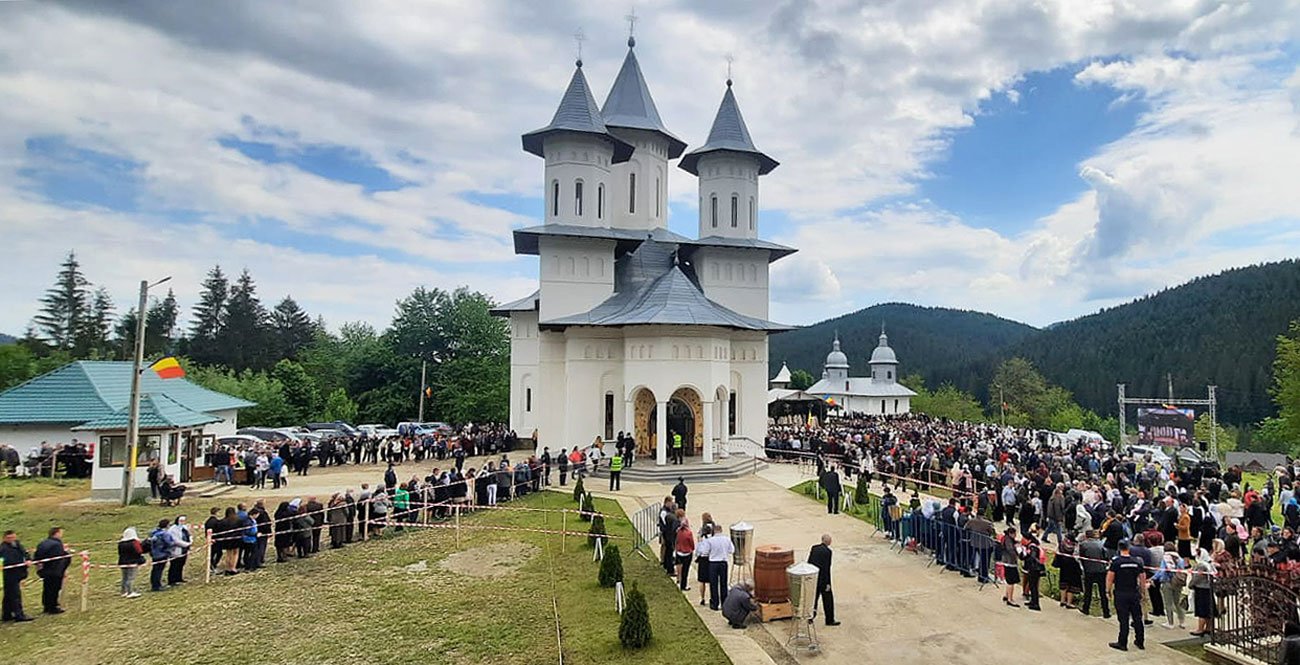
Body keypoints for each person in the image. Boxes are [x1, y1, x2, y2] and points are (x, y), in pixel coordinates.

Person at [1107, 539, 1147, 651]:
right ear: (1129, 548)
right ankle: (1140, 641)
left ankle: (1122, 642)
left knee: (1123, 619)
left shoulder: (1116, 562)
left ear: (1119, 549)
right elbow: (1142, 579)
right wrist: (1143, 592)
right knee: (1137, 618)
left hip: (1121, 593)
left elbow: (1110, 578)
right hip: (1134, 593)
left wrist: (1108, 591)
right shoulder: (1137, 562)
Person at [33, 526, 70, 614]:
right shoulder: (56, 544)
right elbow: (58, 558)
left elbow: (37, 556)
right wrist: (66, 553)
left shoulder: (43, 543)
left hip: (45, 570)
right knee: (54, 589)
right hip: (55, 571)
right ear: (56, 533)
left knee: (47, 588)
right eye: (61, 533)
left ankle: (46, 606)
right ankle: (52, 607)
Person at [807, 534, 841, 626]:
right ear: (828, 542)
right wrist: (828, 583)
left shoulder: (814, 548)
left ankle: (810, 617)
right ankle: (829, 619)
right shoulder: (828, 552)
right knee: (828, 600)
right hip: (823, 580)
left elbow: (809, 562)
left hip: (814, 577)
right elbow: (826, 568)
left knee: (813, 599)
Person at [1079, 529, 1112, 618]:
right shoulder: (1101, 544)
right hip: (1101, 571)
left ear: (1086, 536)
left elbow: (1081, 558)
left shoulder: (1083, 545)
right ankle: (1106, 612)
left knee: (1088, 591)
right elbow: (1106, 557)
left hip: (1089, 571)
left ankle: (1086, 609)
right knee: (1102, 592)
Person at [702, 523, 735, 611]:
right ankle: (724, 602)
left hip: (713, 563)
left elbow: (705, 552)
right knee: (723, 583)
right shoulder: (727, 539)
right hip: (723, 562)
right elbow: (732, 550)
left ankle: (715, 603)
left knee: (714, 584)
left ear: (714, 531)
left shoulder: (710, 540)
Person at [1, 530, 32, 622]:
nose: (12, 539)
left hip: (18, 573)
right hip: (9, 574)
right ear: (4, 538)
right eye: (9, 538)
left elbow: (25, 553)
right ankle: (19, 615)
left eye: (13, 537)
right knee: (15, 595)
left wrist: (28, 559)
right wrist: (23, 563)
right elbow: (9, 561)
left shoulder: (17, 544)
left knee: (8, 595)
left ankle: (6, 615)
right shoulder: (3, 549)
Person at [116, 527, 145, 598]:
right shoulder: (134, 542)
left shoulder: (121, 543)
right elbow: (139, 551)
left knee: (124, 577)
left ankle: (123, 591)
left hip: (123, 562)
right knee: (131, 577)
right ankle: (130, 592)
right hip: (133, 562)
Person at [999, 527, 1020, 608]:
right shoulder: (1008, 540)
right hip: (1010, 562)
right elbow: (1010, 550)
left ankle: (1007, 595)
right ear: (1011, 533)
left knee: (1009, 581)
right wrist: (1018, 553)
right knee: (1011, 581)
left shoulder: (1006, 538)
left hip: (1006, 561)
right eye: (1015, 534)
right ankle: (1010, 599)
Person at [167, 516, 191, 585]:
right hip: (176, 549)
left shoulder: (184, 528)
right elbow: (175, 540)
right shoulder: (173, 529)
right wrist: (186, 544)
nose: (183, 522)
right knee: (174, 565)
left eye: (184, 521)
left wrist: (190, 542)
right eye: (181, 521)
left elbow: (188, 535)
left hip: (184, 550)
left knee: (181, 564)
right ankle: (172, 580)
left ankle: (179, 578)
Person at [674, 513, 695, 591]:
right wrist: (692, 549)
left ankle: (679, 579)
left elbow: (677, 541)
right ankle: (684, 585)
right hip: (687, 553)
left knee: (679, 566)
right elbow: (691, 543)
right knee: (685, 570)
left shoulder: (678, 531)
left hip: (679, 552)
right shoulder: (689, 533)